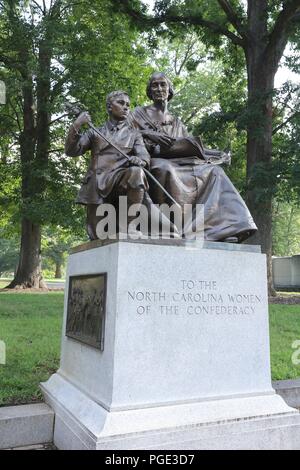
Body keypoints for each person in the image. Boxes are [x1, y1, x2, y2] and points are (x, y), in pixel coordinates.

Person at [128, 72, 258, 242]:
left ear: (169, 90)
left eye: (163, 85)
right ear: (149, 90)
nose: (159, 89)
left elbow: (186, 146)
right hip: (151, 159)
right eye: (155, 85)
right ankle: (171, 228)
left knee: (215, 171)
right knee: (163, 169)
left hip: (180, 162)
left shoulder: (177, 122)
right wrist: (150, 134)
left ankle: (220, 229)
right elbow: (126, 133)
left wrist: (213, 154)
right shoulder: (138, 113)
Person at [65, 91, 153, 239]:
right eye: (121, 103)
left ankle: (129, 226)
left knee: (137, 173)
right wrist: (77, 124)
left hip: (121, 180)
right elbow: (71, 150)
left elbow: (143, 154)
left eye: (128, 105)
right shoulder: (95, 132)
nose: (125, 107)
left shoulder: (134, 134)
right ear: (109, 107)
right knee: (97, 235)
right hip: (97, 184)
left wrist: (141, 161)